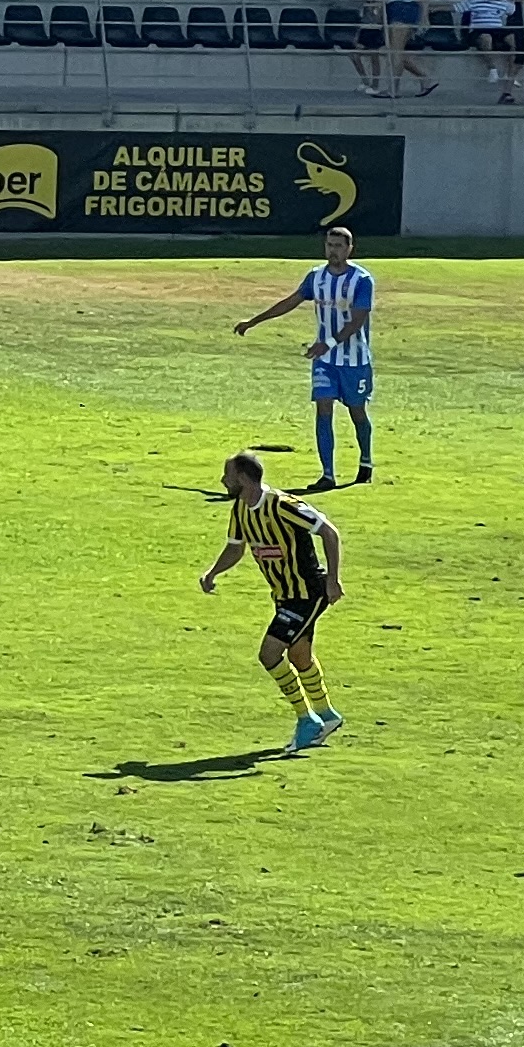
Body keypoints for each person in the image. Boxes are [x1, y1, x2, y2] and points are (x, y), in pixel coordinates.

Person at [200, 452, 344, 754]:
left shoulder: (283, 506)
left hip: (307, 593)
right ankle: (327, 714)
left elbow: (329, 533)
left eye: (227, 475)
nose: (222, 481)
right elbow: (235, 548)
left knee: (269, 653)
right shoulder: (240, 509)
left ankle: (307, 719)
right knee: (300, 656)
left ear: (242, 478)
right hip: (283, 596)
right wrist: (213, 572)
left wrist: (332, 580)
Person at [237, 226, 376, 490]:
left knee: (357, 412)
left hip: (354, 360)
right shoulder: (316, 277)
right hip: (324, 360)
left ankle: (366, 461)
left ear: (349, 249)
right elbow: (291, 301)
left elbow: (358, 319)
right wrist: (254, 321)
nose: (332, 251)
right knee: (323, 408)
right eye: (329, 245)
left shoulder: (362, 280)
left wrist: (330, 343)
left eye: (338, 246)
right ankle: (327, 475)